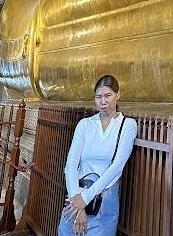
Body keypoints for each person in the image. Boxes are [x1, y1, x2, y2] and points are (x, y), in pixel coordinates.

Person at [59, 75, 137, 236]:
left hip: (104, 196)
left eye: (108, 95)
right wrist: (77, 202)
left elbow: (117, 167)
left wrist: (85, 198)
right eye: (98, 97)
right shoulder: (85, 124)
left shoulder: (127, 125)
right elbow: (71, 165)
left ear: (118, 95)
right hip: (76, 194)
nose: (103, 101)